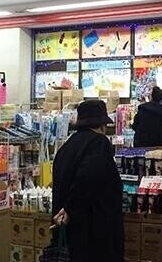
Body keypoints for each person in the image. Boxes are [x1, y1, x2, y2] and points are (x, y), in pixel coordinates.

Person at [51, 100, 124, 262]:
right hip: (92, 229)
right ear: (102, 125)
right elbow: (87, 177)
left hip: (70, 230)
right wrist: (70, 209)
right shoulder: (99, 143)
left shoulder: (67, 146)